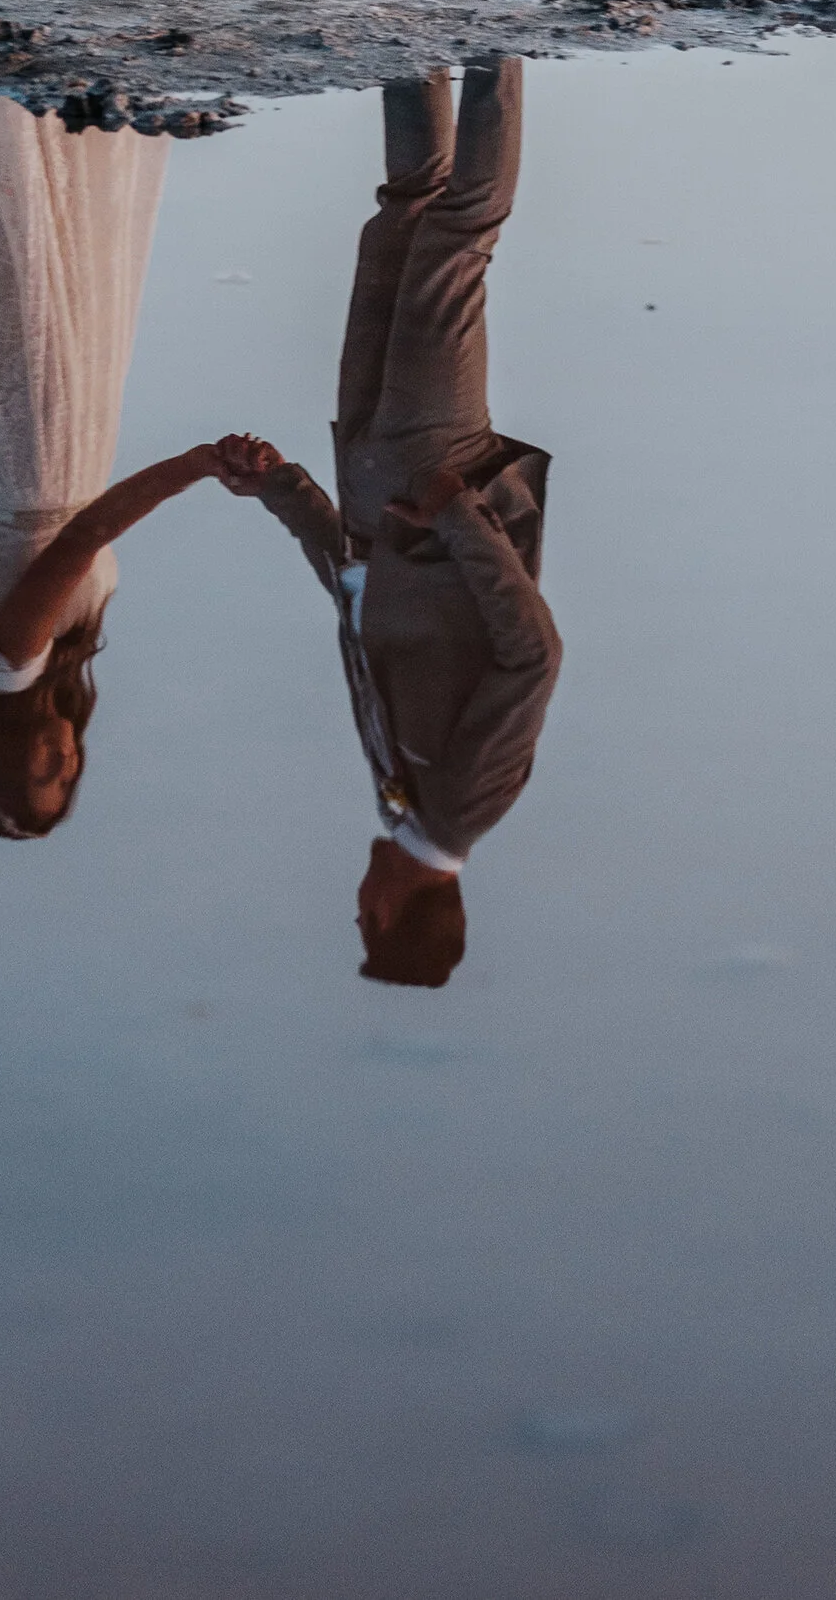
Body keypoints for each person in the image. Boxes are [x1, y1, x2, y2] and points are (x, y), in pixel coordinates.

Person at [0, 89, 268, 840]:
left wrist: (198, 462)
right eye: (66, 773)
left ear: (1, 756)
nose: (59, 758)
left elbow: (81, 538)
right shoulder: (50, 662)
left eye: (38, 772)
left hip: (42, 464)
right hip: (47, 461)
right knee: (43, 282)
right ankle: (28, 125)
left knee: (28, 280)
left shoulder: (4, 664)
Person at [220, 60, 560, 985]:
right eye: (366, 920)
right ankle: (500, 40)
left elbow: (363, 595)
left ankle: (407, 36)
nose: (354, 903)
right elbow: (532, 655)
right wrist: (459, 513)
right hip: (433, 469)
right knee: (456, 241)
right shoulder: (464, 805)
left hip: (370, 474)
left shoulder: (399, 799)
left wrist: (283, 490)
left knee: (400, 219)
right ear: (395, 911)